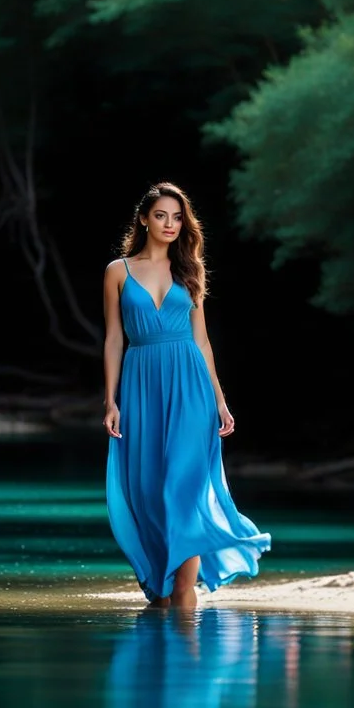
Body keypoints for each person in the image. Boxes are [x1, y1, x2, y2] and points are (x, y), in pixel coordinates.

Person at [102, 182, 271, 609]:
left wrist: (220, 399)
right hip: (140, 389)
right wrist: (110, 400)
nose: (170, 224)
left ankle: (184, 594)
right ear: (144, 219)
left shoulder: (189, 269)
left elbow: (203, 341)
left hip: (190, 387)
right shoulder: (118, 271)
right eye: (161, 215)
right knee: (148, 491)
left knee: (183, 490)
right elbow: (113, 340)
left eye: (177, 217)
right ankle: (163, 589)